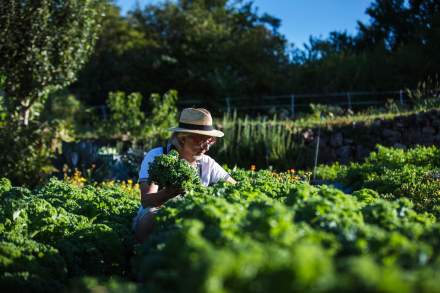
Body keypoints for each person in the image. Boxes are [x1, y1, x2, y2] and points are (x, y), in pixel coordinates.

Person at [133, 108, 236, 243]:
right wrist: (169, 193)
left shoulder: (207, 163)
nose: (207, 147)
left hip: (191, 215)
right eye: (202, 140)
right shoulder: (157, 156)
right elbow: (147, 201)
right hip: (157, 213)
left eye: (210, 140)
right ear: (182, 139)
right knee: (151, 218)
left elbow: (235, 187)